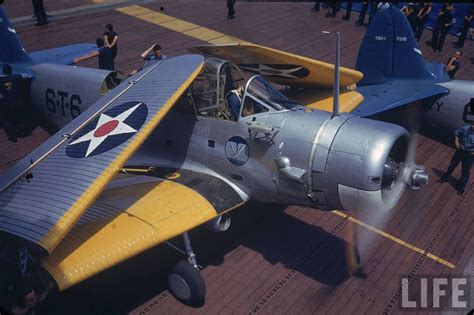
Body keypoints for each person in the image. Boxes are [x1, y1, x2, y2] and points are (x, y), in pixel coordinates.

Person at [438, 102, 474, 195]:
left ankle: (461, 187)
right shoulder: (466, 129)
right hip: (460, 151)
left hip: (469, 154)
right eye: (472, 124)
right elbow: (457, 133)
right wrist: (456, 142)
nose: (472, 126)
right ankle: (445, 178)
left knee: (465, 172)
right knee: (452, 165)